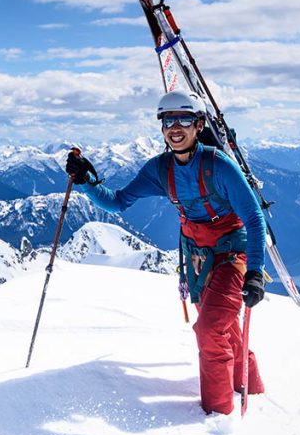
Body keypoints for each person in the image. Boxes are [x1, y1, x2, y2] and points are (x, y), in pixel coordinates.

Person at [65, 89, 266, 415]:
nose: (175, 127)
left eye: (184, 118)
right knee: (225, 327)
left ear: (199, 124)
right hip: (197, 258)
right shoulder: (160, 170)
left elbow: (254, 218)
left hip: (231, 255)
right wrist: (87, 181)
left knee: (211, 328)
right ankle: (251, 390)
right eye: (167, 120)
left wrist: (255, 272)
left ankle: (217, 414)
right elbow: (117, 202)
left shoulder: (220, 167)